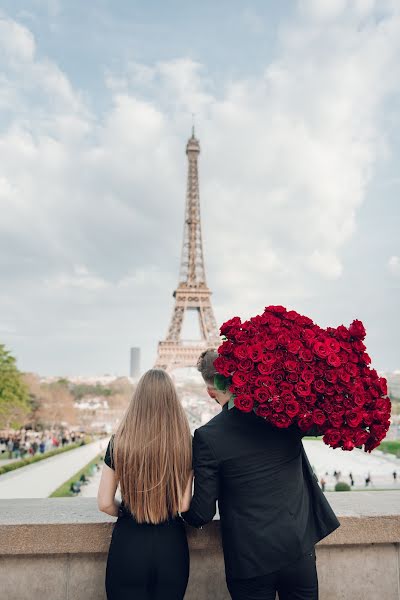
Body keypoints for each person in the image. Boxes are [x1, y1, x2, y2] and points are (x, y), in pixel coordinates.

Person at [182, 349, 340, 600]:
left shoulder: (207, 437)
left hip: (250, 561)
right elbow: (325, 421)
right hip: (298, 551)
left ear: (210, 391)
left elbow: (202, 513)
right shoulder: (284, 416)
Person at [98, 369, 193, 600]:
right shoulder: (186, 443)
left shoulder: (119, 442)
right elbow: (183, 505)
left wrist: (125, 509)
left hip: (129, 541)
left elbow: (104, 503)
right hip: (171, 544)